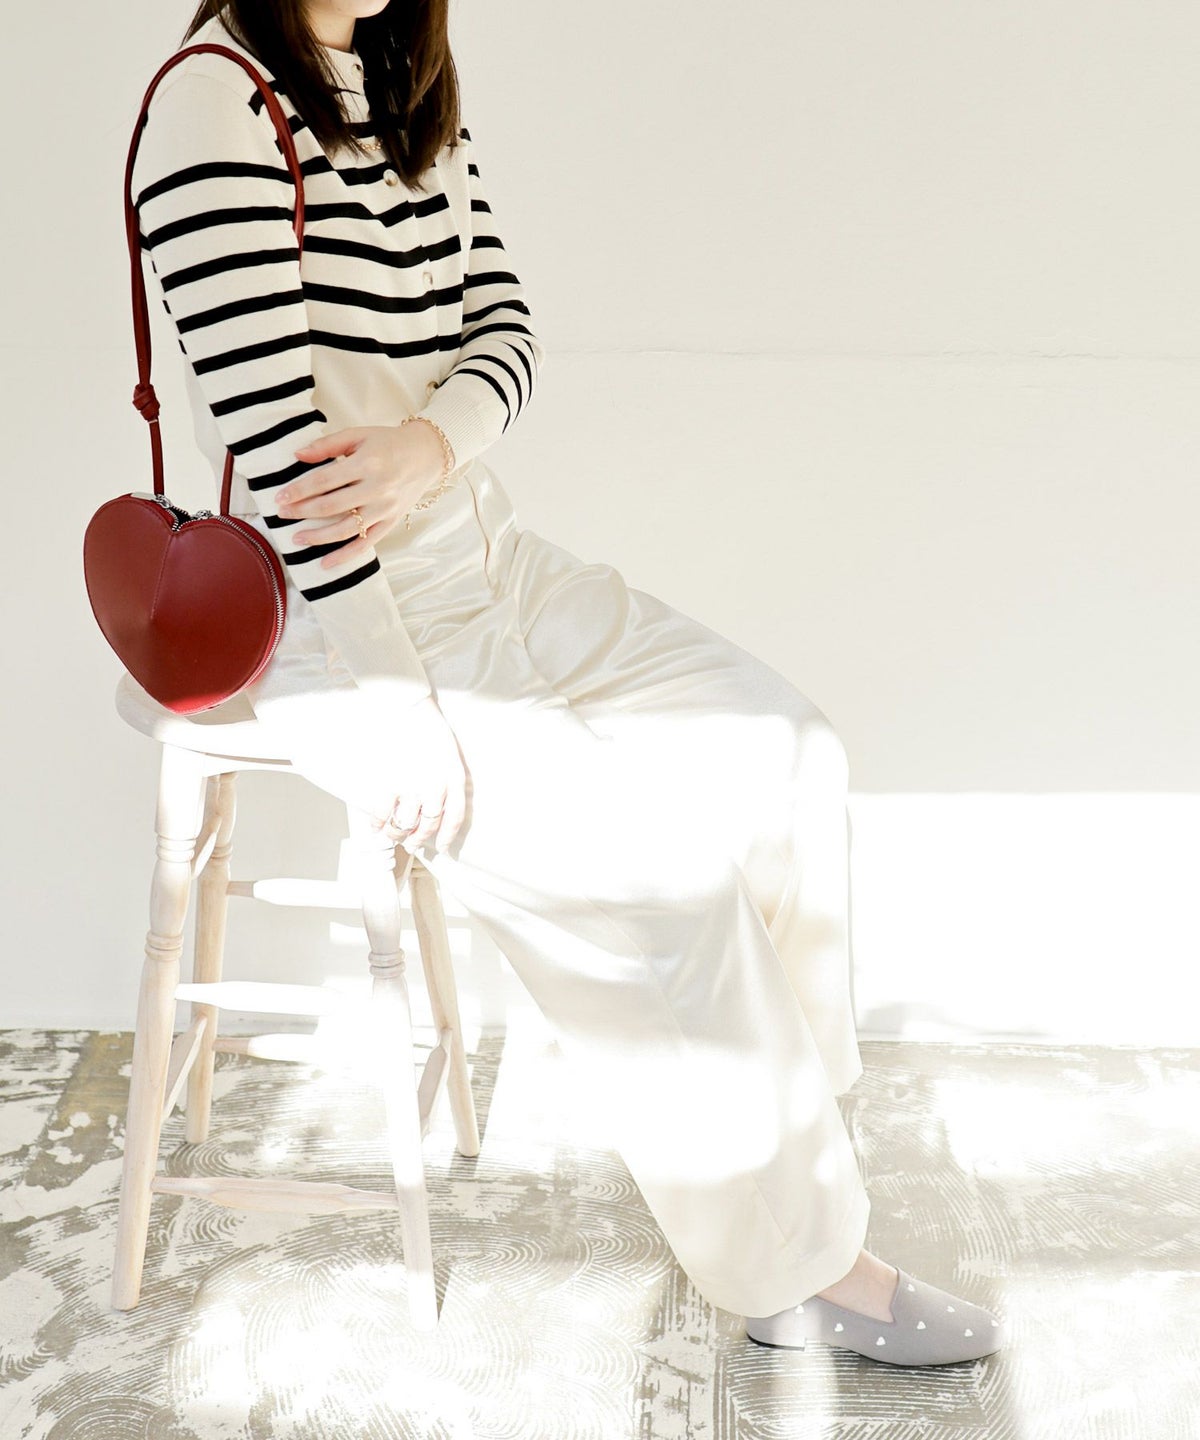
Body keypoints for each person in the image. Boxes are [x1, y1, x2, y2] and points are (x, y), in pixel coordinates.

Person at [129, 0, 1007, 1366]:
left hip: (490, 558)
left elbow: (508, 327)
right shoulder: (213, 105)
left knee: (789, 755)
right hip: (344, 625)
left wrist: (433, 444)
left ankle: (787, 1152)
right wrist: (396, 705)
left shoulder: (403, 84)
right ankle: (801, 1274)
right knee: (664, 890)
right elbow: (280, 450)